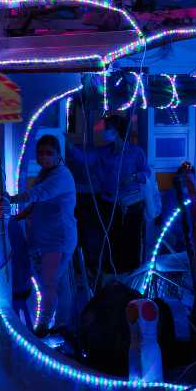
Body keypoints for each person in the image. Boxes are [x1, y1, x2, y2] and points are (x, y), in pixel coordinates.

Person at [0, 134, 78, 334]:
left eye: (49, 153)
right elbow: (35, 205)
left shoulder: (61, 176)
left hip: (56, 241)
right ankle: (62, 323)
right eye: (40, 153)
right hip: (48, 240)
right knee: (58, 284)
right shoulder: (45, 173)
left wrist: (12, 199)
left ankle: (44, 325)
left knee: (49, 284)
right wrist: (15, 219)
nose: (44, 157)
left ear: (58, 154)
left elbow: (38, 194)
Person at [65, 113, 150, 278]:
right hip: (109, 203)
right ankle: (114, 275)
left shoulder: (135, 152)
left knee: (131, 240)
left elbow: (146, 173)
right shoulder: (103, 152)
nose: (104, 132)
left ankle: (132, 277)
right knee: (112, 239)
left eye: (107, 129)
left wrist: (133, 177)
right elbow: (85, 159)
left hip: (132, 204)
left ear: (117, 130)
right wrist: (68, 145)